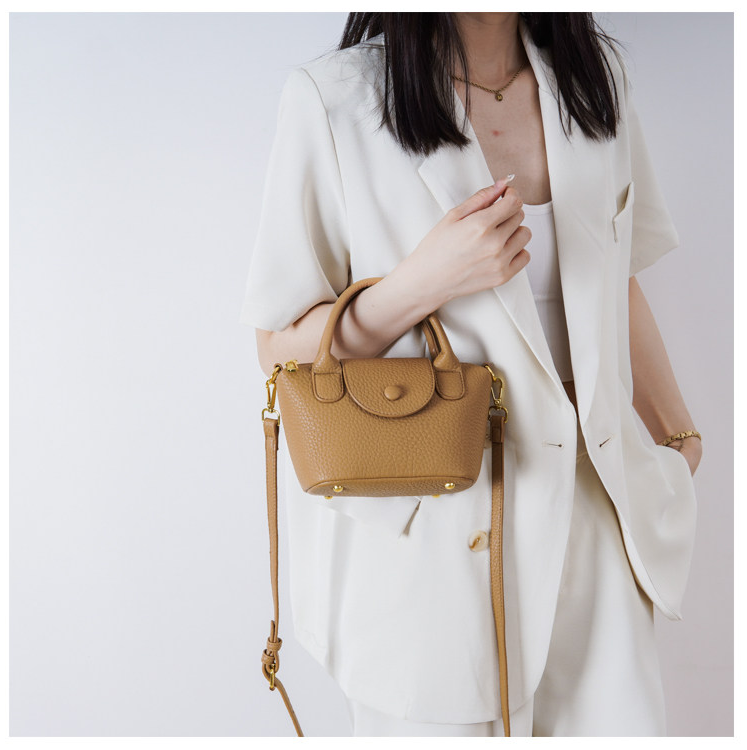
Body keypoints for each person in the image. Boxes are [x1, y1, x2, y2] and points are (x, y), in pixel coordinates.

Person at [240, 12, 702, 737]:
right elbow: (278, 348)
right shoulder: (334, 99)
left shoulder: (596, 81)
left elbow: (617, 277)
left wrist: (679, 439)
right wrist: (420, 282)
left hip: (597, 521)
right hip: (432, 541)